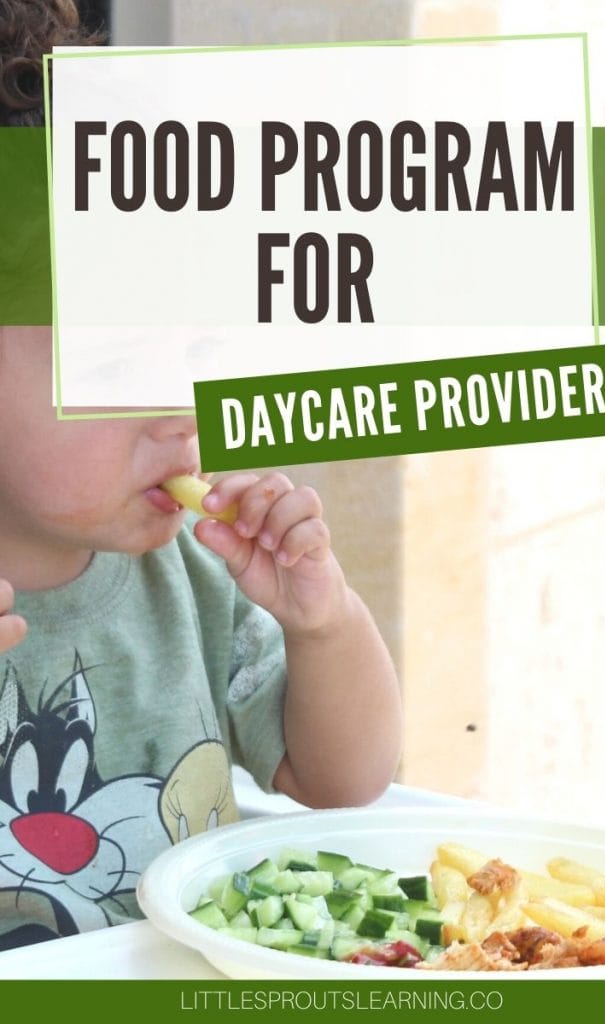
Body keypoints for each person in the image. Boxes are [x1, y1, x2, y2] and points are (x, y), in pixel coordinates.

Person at [0, 2, 402, 949]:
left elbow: (343, 779)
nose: (184, 404)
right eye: (121, 356)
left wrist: (325, 620)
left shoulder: (190, 575)